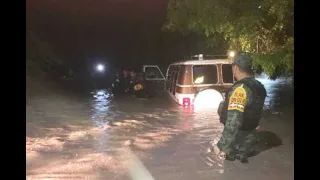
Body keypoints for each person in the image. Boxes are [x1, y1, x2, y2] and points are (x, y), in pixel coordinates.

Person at [216, 53, 267, 163]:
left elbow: (234, 121)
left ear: (236, 68)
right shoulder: (259, 86)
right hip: (251, 141)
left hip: (237, 145)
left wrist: (222, 146)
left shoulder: (240, 89)